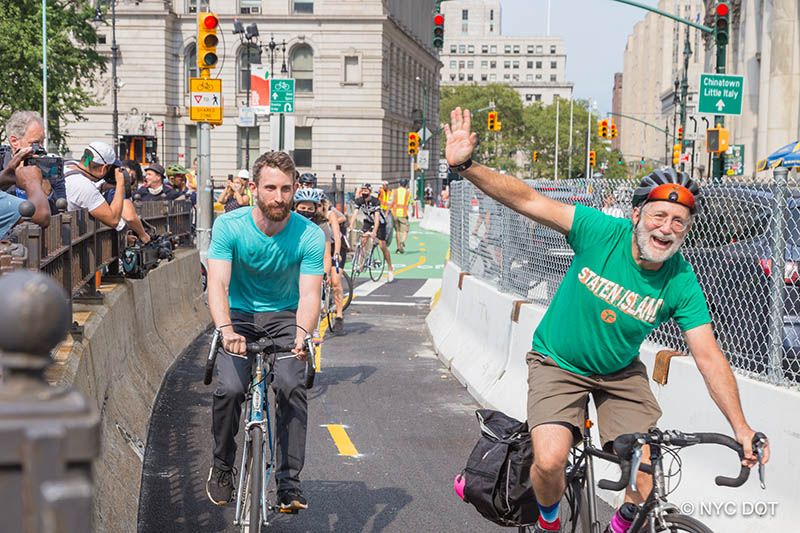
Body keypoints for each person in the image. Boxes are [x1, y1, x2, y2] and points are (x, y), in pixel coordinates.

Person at [443, 107, 770, 533]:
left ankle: (619, 526)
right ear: (636, 216)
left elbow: (709, 356)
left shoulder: (682, 282)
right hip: (558, 363)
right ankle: (548, 521)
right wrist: (467, 166)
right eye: (658, 215)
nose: (666, 227)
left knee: (646, 478)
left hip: (619, 374)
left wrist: (741, 428)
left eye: (678, 222)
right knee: (549, 460)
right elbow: (527, 199)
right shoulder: (599, 232)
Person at [206, 150, 325, 511]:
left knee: (291, 386)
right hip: (238, 316)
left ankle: (289, 482)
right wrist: (226, 330)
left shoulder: (309, 234)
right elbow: (217, 284)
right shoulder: (230, 226)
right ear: (254, 188)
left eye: (286, 189)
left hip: (287, 316)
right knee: (229, 389)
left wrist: (303, 334)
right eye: (271, 188)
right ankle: (223, 465)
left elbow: (309, 293)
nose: (279, 197)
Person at [64, 141, 150, 243]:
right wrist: (120, 185)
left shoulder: (68, 166)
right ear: (103, 168)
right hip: (71, 245)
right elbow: (113, 220)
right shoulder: (84, 186)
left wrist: (103, 186)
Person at [0, 110, 52, 230]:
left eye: (42, 143)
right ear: (14, 141)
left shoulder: (48, 166)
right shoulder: (2, 161)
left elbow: (58, 212)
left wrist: (47, 192)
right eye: (34, 143)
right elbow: (41, 215)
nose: (40, 149)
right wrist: (32, 182)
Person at [349, 183, 394, 282]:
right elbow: (355, 214)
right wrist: (350, 226)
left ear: (370, 191)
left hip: (380, 223)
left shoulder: (375, 201)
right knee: (363, 240)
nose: (364, 192)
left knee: (382, 245)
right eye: (363, 190)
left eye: (366, 190)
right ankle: (361, 264)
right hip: (369, 221)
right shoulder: (359, 201)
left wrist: (374, 232)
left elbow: (377, 218)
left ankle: (390, 268)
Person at [391, 179, 412, 253]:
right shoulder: (408, 193)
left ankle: (399, 247)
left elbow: (390, 202)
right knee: (405, 230)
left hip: (394, 214)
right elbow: (412, 202)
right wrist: (412, 212)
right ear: (406, 185)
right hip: (403, 214)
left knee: (397, 231)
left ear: (399, 184)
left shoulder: (394, 191)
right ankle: (402, 241)